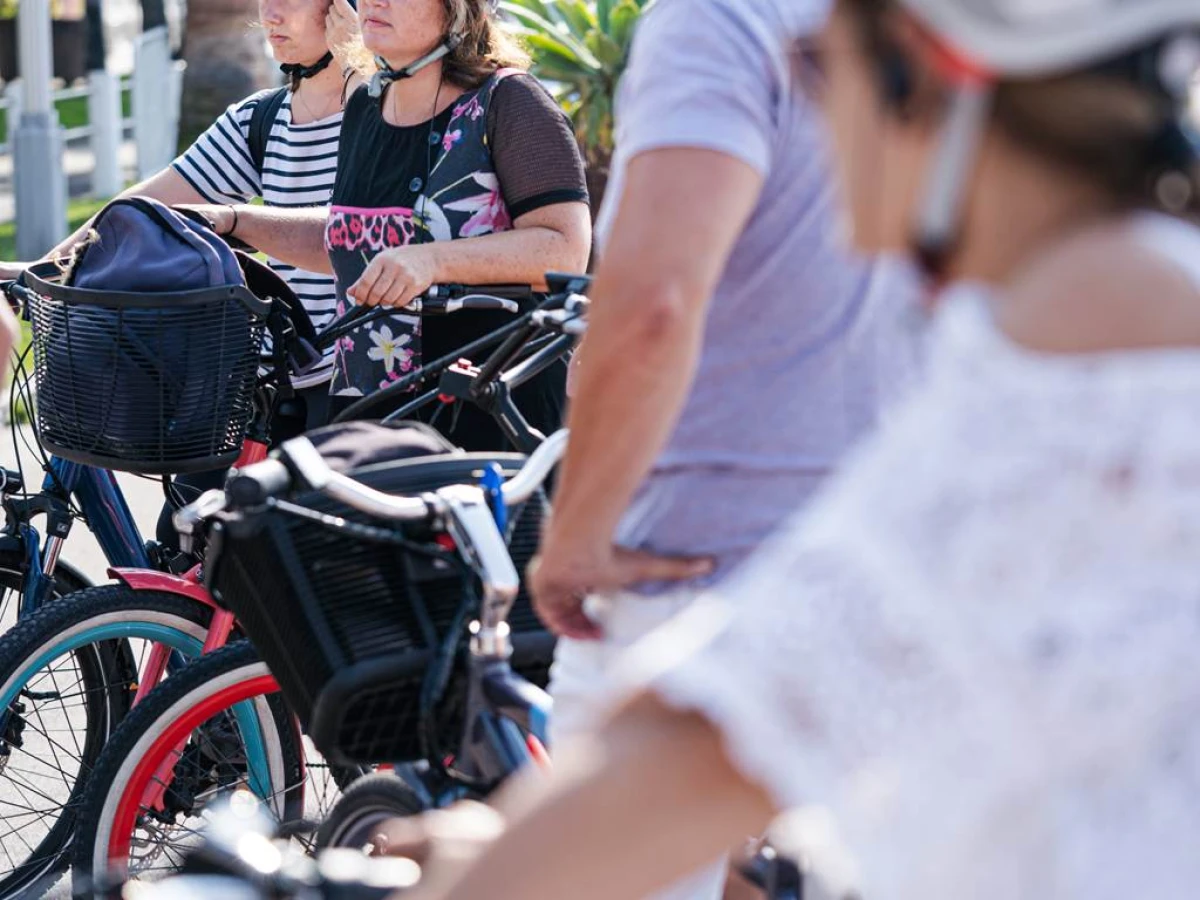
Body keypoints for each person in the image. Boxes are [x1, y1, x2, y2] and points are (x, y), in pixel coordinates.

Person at [381, 0, 1200, 898]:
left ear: (927, 74)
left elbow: (715, 746)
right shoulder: (1116, 294)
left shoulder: (1097, 332)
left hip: (678, 571)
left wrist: (490, 873)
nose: (808, 108)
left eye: (815, 67)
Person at [526, 0, 918, 894]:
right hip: (883, 550)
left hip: (692, 576)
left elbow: (652, 304)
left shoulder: (718, 15)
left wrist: (576, 535)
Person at [185, 0, 592, 451]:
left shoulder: (510, 100)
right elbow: (356, 239)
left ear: (457, 8)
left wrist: (431, 261)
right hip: (372, 413)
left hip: (490, 412)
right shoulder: (365, 104)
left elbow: (564, 247)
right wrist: (236, 220)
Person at [3, 0, 351, 435]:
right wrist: (40, 272)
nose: (270, 14)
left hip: (362, 386)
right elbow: (138, 211)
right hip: (275, 382)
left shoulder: (388, 116)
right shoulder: (258, 120)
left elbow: (359, 233)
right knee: (193, 501)